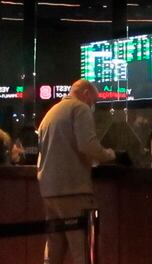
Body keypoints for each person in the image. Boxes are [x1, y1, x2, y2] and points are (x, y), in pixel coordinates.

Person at [37, 79, 116, 264]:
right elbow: (87, 145)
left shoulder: (50, 114)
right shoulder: (80, 109)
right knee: (83, 249)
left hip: (49, 190)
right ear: (86, 93)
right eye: (93, 101)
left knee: (54, 249)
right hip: (73, 189)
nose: (92, 106)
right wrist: (109, 154)